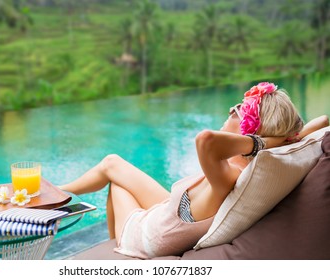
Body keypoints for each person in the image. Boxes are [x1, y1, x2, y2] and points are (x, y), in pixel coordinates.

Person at [58, 82, 329, 259]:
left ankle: (110, 248)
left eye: (237, 110)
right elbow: (322, 121)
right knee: (112, 162)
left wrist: (260, 140)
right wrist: (273, 140)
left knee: (115, 182)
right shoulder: (255, 163)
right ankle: (58, 193)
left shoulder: (230, 174)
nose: (230, 112)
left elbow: (206, 140)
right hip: (170, 213)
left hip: (148, 235)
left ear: (251, 129)